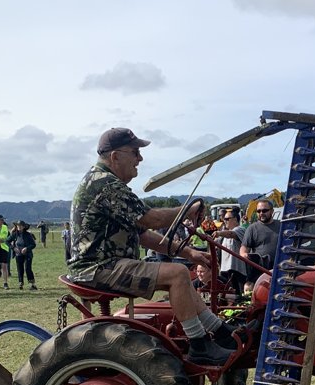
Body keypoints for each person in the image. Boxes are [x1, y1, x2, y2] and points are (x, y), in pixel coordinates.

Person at [68, 127, 236, 365]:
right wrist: (187, 210)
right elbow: (151, 220)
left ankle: (220, 332)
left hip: (105, 264)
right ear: (115, 156)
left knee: (181, 272)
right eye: (135, 152)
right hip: (97, 267)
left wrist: (189, 252)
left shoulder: (106, 183)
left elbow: (143, 234)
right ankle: (200, 345)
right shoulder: (104, 184)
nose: (140, 159)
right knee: (177, 274)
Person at [240, 199, 280, 281]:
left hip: (280, 269)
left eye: (264, 210)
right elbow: (243, 249)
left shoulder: (281, 226)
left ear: (272, 211)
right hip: (261, 272)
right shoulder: (252, 228)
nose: (261, 213)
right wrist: (245, 256)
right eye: (258, 211)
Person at [213, 208, 247, 293]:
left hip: (237, 270)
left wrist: (219, 233)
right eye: (224, 219)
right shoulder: (224, 234)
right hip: (225, 270)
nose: (225, 221)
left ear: (235, 219)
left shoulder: (240, 229)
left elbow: (231, 234)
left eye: (227, 219)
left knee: (238, 294)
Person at [9, 221, 38, 290]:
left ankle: (32, 284)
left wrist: (27, 248)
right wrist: (13, 248)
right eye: (18, 225)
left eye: (21, 226)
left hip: (28, 254)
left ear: (24, 227)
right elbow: (7, 241)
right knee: (20, 269)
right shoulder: (14, 234)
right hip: (18, 254)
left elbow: (33, 244)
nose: (19, 227)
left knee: (28, 268)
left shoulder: (28, 235)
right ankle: (20, 283)